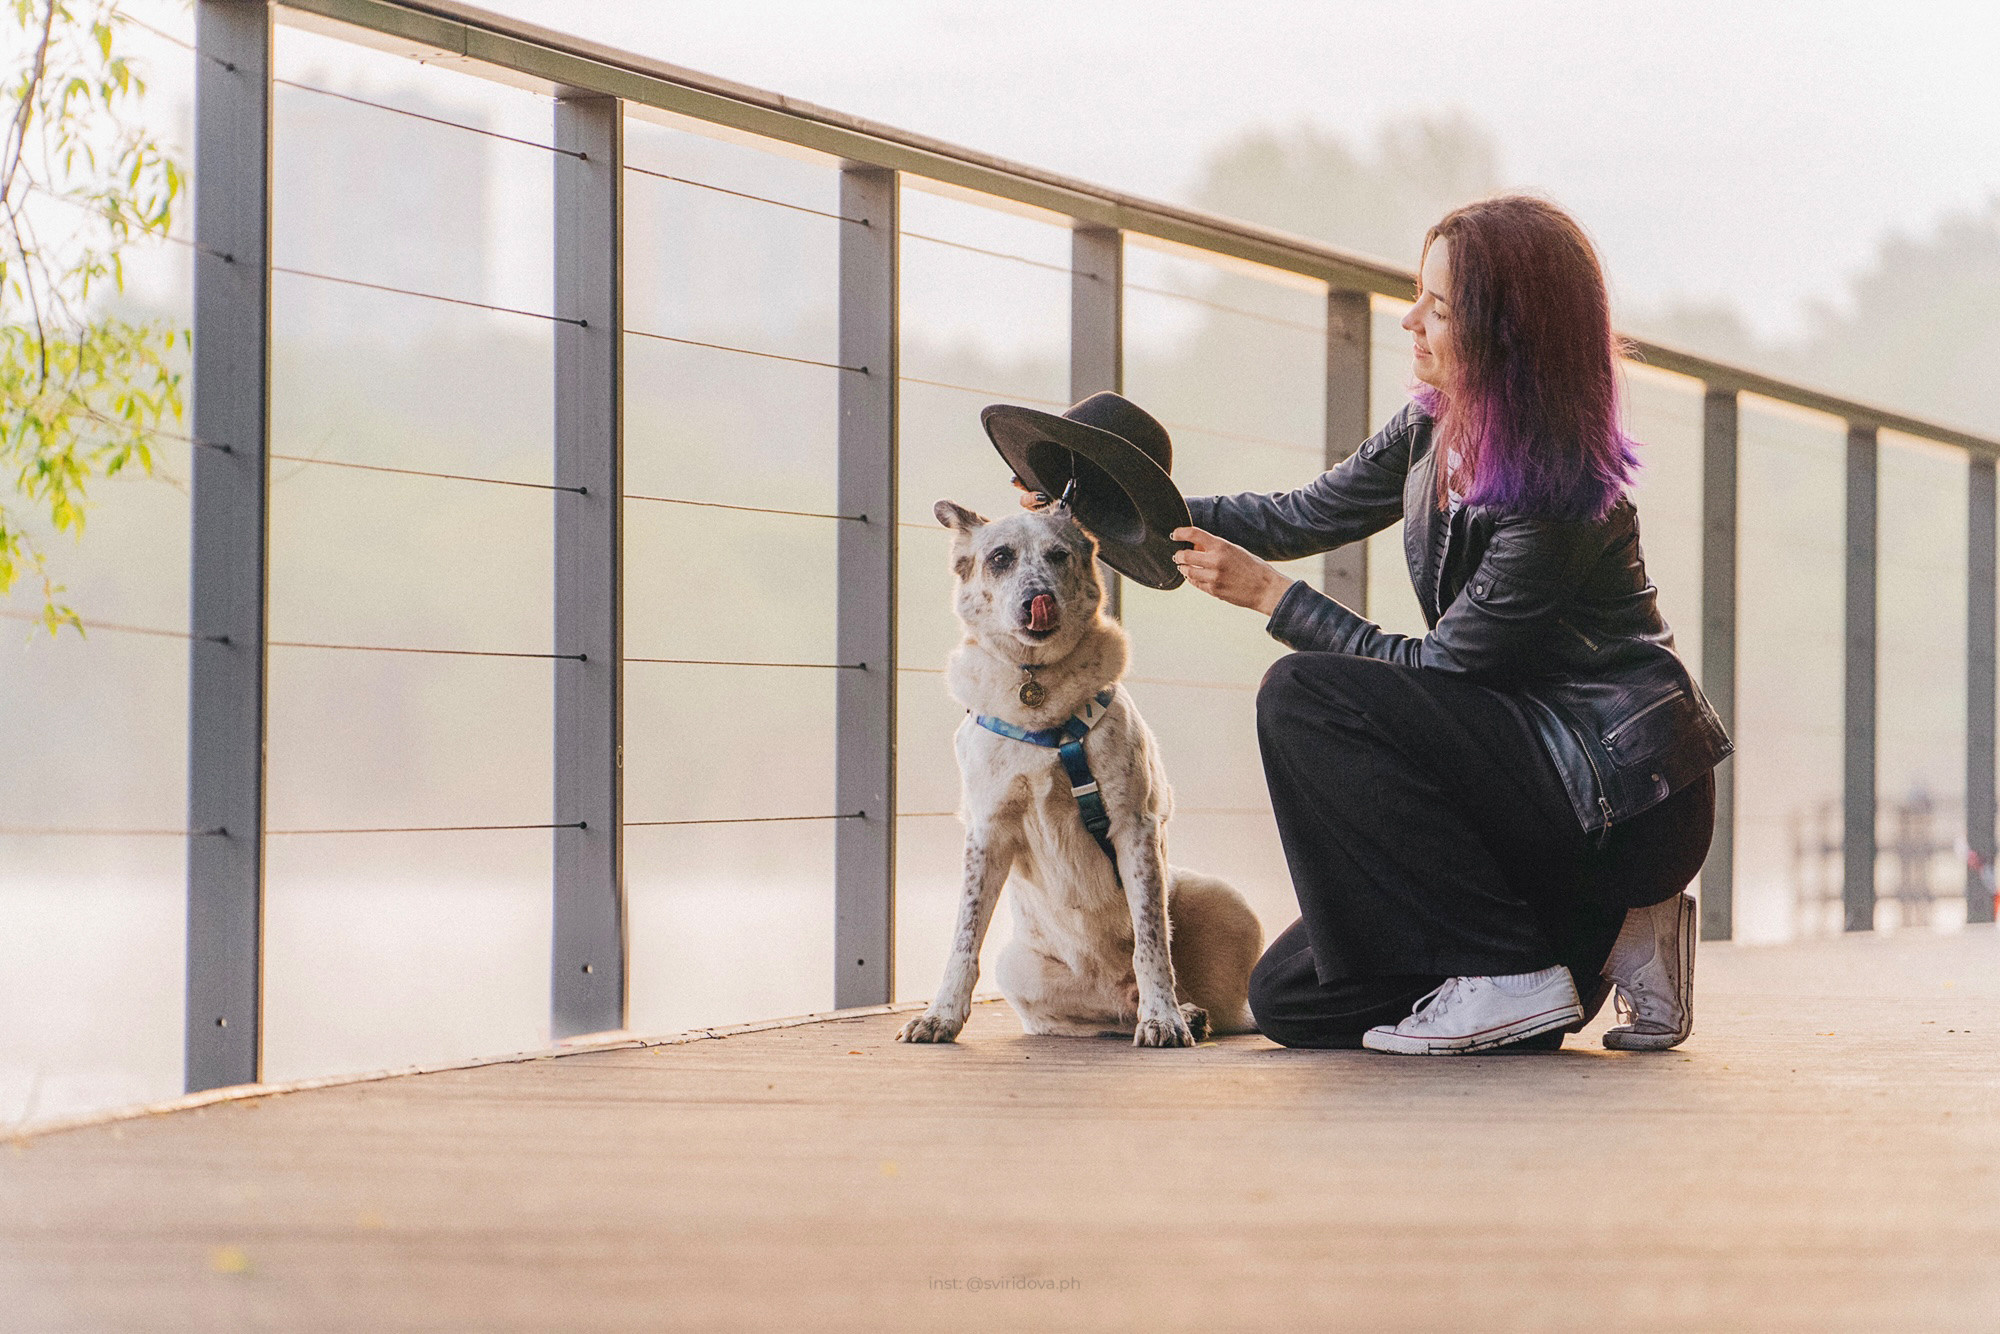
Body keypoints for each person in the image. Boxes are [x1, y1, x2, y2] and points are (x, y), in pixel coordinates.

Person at [1165, 195, 1732, 1054]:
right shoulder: (1438, 421)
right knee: (1290, 1000)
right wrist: (1119, 507)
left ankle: (1512, 973)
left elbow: (1441, 674)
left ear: (1510, 329)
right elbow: (1298, 514)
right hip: (1524, 790)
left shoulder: (1556, 489)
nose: (1407, 321)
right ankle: (1597, 943)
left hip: (1623, 803)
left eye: (1440, 306)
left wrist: (1273, 601)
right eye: (1416, 295)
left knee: (1304, 694)